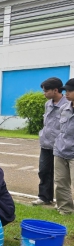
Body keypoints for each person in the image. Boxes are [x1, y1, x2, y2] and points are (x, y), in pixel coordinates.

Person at [32, 78, 68, 206]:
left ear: (56, 90)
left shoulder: (67, 104)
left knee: (61, 176)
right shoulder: (48, 104)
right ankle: (44, 197)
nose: (44, 93)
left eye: (46, 91)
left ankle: (63, 202)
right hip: (46, 144)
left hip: (60, 146)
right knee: (44, 171)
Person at [54, 78, 74, 215]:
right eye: (65, 90)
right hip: (61, 151)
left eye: (70, 91)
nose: (66, 93)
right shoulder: (64, 108)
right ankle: (65, 210)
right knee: (60, 182)